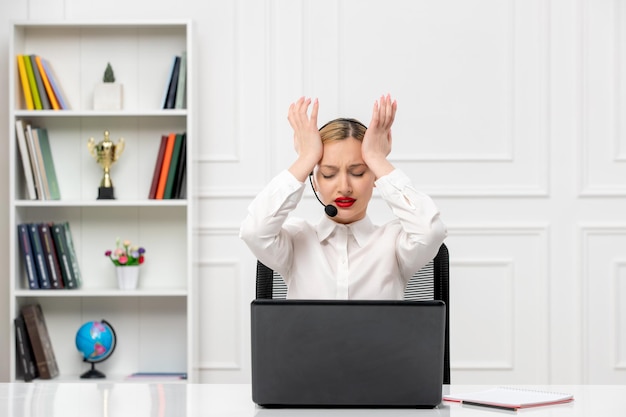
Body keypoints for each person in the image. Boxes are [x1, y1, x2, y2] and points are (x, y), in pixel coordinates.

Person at [240, 94, 447, 299]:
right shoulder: (296, 240)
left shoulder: (394, 243)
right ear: (314, 182)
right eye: (329, 174)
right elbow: (254, 232)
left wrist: (377, 158)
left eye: (357, 172)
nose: (344, 187)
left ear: (375, 178)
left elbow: (429, 232)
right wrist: (306, 159)